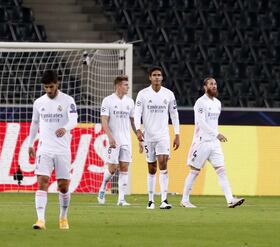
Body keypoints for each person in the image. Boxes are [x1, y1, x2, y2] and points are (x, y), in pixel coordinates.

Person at [180, 77, 245, 208]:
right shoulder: (200, 103)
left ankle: (230, 199)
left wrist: (216, 136)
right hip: (202, 142)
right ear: (205, 87)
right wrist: (217, 134)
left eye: (215, 84)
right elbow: (201, 123)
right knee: (194, 171)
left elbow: (213, 123)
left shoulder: (217, 103)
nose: (214, 86)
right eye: (211, 84)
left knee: (222, 170)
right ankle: (184, 200)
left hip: (214, 144)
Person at [29, 70, 78, 230]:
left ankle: (63, 217)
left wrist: (65, 128)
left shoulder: (68, 100)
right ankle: (40, 220)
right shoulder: (39, 102)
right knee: (42, 182)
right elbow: (35, 123)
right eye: (46, 87)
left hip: (62, 149)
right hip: (44, 149)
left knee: (63, 186)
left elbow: (74, 120)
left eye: (51, 87)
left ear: (57, 84)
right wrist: (31, 143)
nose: (49, 90)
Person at [134, 66, 180, 210]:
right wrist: (138, 130)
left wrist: (177, 134)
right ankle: (150, 200)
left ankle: (164, 200)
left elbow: (174, 115)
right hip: (148, 136)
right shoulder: (142, 94)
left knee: (163, 163)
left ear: (162, 77)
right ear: (150, 77)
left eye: (159, 75)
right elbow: (137, 113)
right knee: (152, 168)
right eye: (154, 75)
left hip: (163, 136)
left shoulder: (169, 94)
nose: (157, 77)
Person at [97, 75, 141, 206]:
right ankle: (103, 187)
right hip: (114, 140)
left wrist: (139, 136)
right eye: (125, 85)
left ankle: (121, 199)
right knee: (112, 168)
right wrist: (110, 137)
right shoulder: (108, 101)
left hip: (126, 140)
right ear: (117, 86)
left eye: (127, 84)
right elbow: (104, 120)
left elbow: (133, 121)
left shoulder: (130, 102)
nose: (127, 87)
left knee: (124, 168)